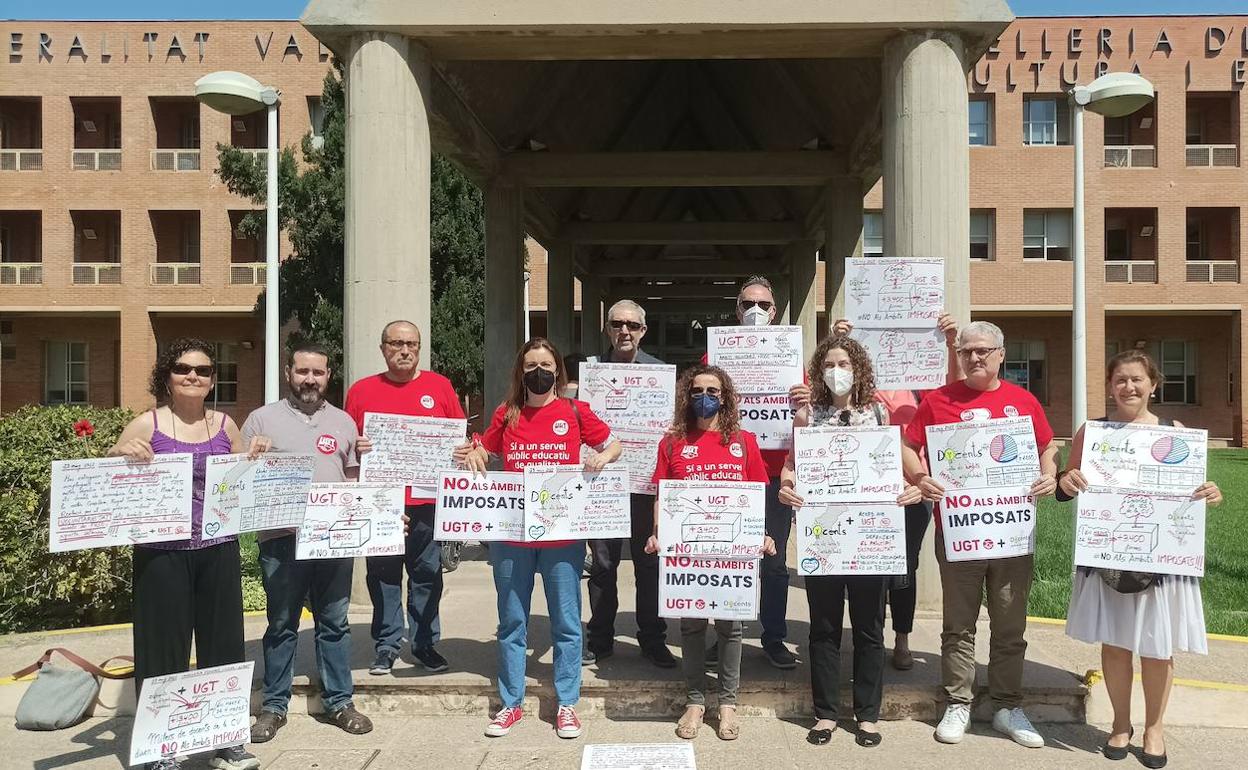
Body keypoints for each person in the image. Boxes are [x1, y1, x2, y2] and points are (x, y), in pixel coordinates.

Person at [1058, 350, 1222, 768]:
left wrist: (1210, 492)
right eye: (1120, 380)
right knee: (1114, 643)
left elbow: (1195, 488)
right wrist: (1068, 480)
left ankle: (1154, 727)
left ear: (1153, 384)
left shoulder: (1175, 432)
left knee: (1157, 645)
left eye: (1136, 380)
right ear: (1110, 385)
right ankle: (1119, 722)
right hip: (1109, 551)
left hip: (1161, 556)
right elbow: (1065, 486)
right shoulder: (1091, 432)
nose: (1128, 387)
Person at [899, 320, 1059, 748]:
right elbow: (908, 446)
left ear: (1001, 354)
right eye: (967, 351)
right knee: (958, 624)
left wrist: (1048, 473)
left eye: (984, 351)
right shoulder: (937, 401)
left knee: (1010, 624)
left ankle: (1007, 705)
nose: (975, 357)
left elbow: (1047, 446)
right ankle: (958, 702)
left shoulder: (1022, 401)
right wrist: (920, 476)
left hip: (1010, 533)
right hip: (960, 531)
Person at [108, 338, 264, 770]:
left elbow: (240, 482)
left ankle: (225, 738)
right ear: (167, 376)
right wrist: (121, 453)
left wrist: (256, 458)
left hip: (218, 548)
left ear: (213, 380)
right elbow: (106, 475)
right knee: (162, 650)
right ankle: (161, 747)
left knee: (225, 647)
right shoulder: (146, 424)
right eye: (182, 368)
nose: (193, 376)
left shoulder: (226, 426)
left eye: (203, 370)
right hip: (161, 554)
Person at [461, 338, 622, 740]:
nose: (539, 371)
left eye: (545, 364)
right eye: (531, 365)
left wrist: (602, 457)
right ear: (521, 372)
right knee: (512, 621)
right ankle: (510, 703)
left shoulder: (574, 410)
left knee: (566, 622)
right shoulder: (506, 412)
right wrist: (473, 453)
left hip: (562, 534)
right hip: (512, 534)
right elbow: (480, 449)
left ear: (557, 371)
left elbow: (613, 443)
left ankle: (567, 703)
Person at [777, 335, 923, 748]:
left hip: (870, 537)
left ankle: (867, 714)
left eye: (844, 363)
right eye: (829, 364)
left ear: (858, 368)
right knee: (823, 628)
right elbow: (791, 463)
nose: (836, 371)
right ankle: (825, 714)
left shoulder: (878, 410)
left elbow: (901, 458)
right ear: (819, 371)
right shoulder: (808, 415)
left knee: (869, 628)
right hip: (825, 536)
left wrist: (917, 485)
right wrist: (787, 486)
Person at [242, 343, 373, 743]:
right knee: (281, 624)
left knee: (334, 622)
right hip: (282, 541)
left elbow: (352, 481)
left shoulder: (345, 422)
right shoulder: (260, 420)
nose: (309, 380)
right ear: (288, 373)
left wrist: (372, 508)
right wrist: (249, 457)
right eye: (302, 372)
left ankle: (339, 702)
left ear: (328, 375)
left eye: (317, 372)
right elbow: (236, 480)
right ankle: (274, 706)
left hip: (333, 541)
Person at [643, 364, 776, 741]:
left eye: (714, 391)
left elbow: (755, 496)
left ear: (725, 397)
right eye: (698, 390)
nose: (706, 397)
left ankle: (728, 702)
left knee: (731, 627)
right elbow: (662, 495)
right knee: (691, 625)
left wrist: (763, 534)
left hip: (732, 550)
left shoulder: (744, 441)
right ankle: (697, 700)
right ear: (687, 396)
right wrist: (657, 534)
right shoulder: (671, 442)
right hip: (689, 551)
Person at [831, 313, 961, 670]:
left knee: (905, 565)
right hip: (862, 488)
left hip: (911, 490)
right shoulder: (858, 389)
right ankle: (866, 636)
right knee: (860, 566)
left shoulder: (920, 387)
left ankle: (901, 638)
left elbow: (952, 389)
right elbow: (823, 395)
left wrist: (948, 343)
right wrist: (837, 341)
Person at [345, 320, 466, 676]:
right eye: (396, 343)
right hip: (381, 500)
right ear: (383, 348)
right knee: (382, 576)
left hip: (428, 502)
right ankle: (385, 645)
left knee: (427, 573)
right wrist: (357, 445)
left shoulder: (439, 386)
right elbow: (346, 443)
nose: (404, 350)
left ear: (419, 347)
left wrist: (462, 449)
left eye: (411, 344)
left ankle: (425, 643)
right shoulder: (361, 390)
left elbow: (460, 437)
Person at [706, 276, 809, 669]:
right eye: (748, 303)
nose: (756, 311)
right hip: (727, 472)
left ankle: (774, 637)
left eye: (764, 305)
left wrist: (808, 396)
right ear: (736, 309)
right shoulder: (716, 355)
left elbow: (808, 416)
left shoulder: (791, 358)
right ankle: (725, 636)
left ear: (775, 311)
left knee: (775, 561)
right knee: (727, 558)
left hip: (774, 474)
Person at [583, 299, 677, 668]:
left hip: (645, 483)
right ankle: (600, 639)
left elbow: (678, 428)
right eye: (617, 324)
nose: (625, 331)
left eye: (632, 326)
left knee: (649, 564)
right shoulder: (590, 373)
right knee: (604, 566)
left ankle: (653, 639)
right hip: (602, 483)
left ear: (643, 331)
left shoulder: (661, 374)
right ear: (606, 328)